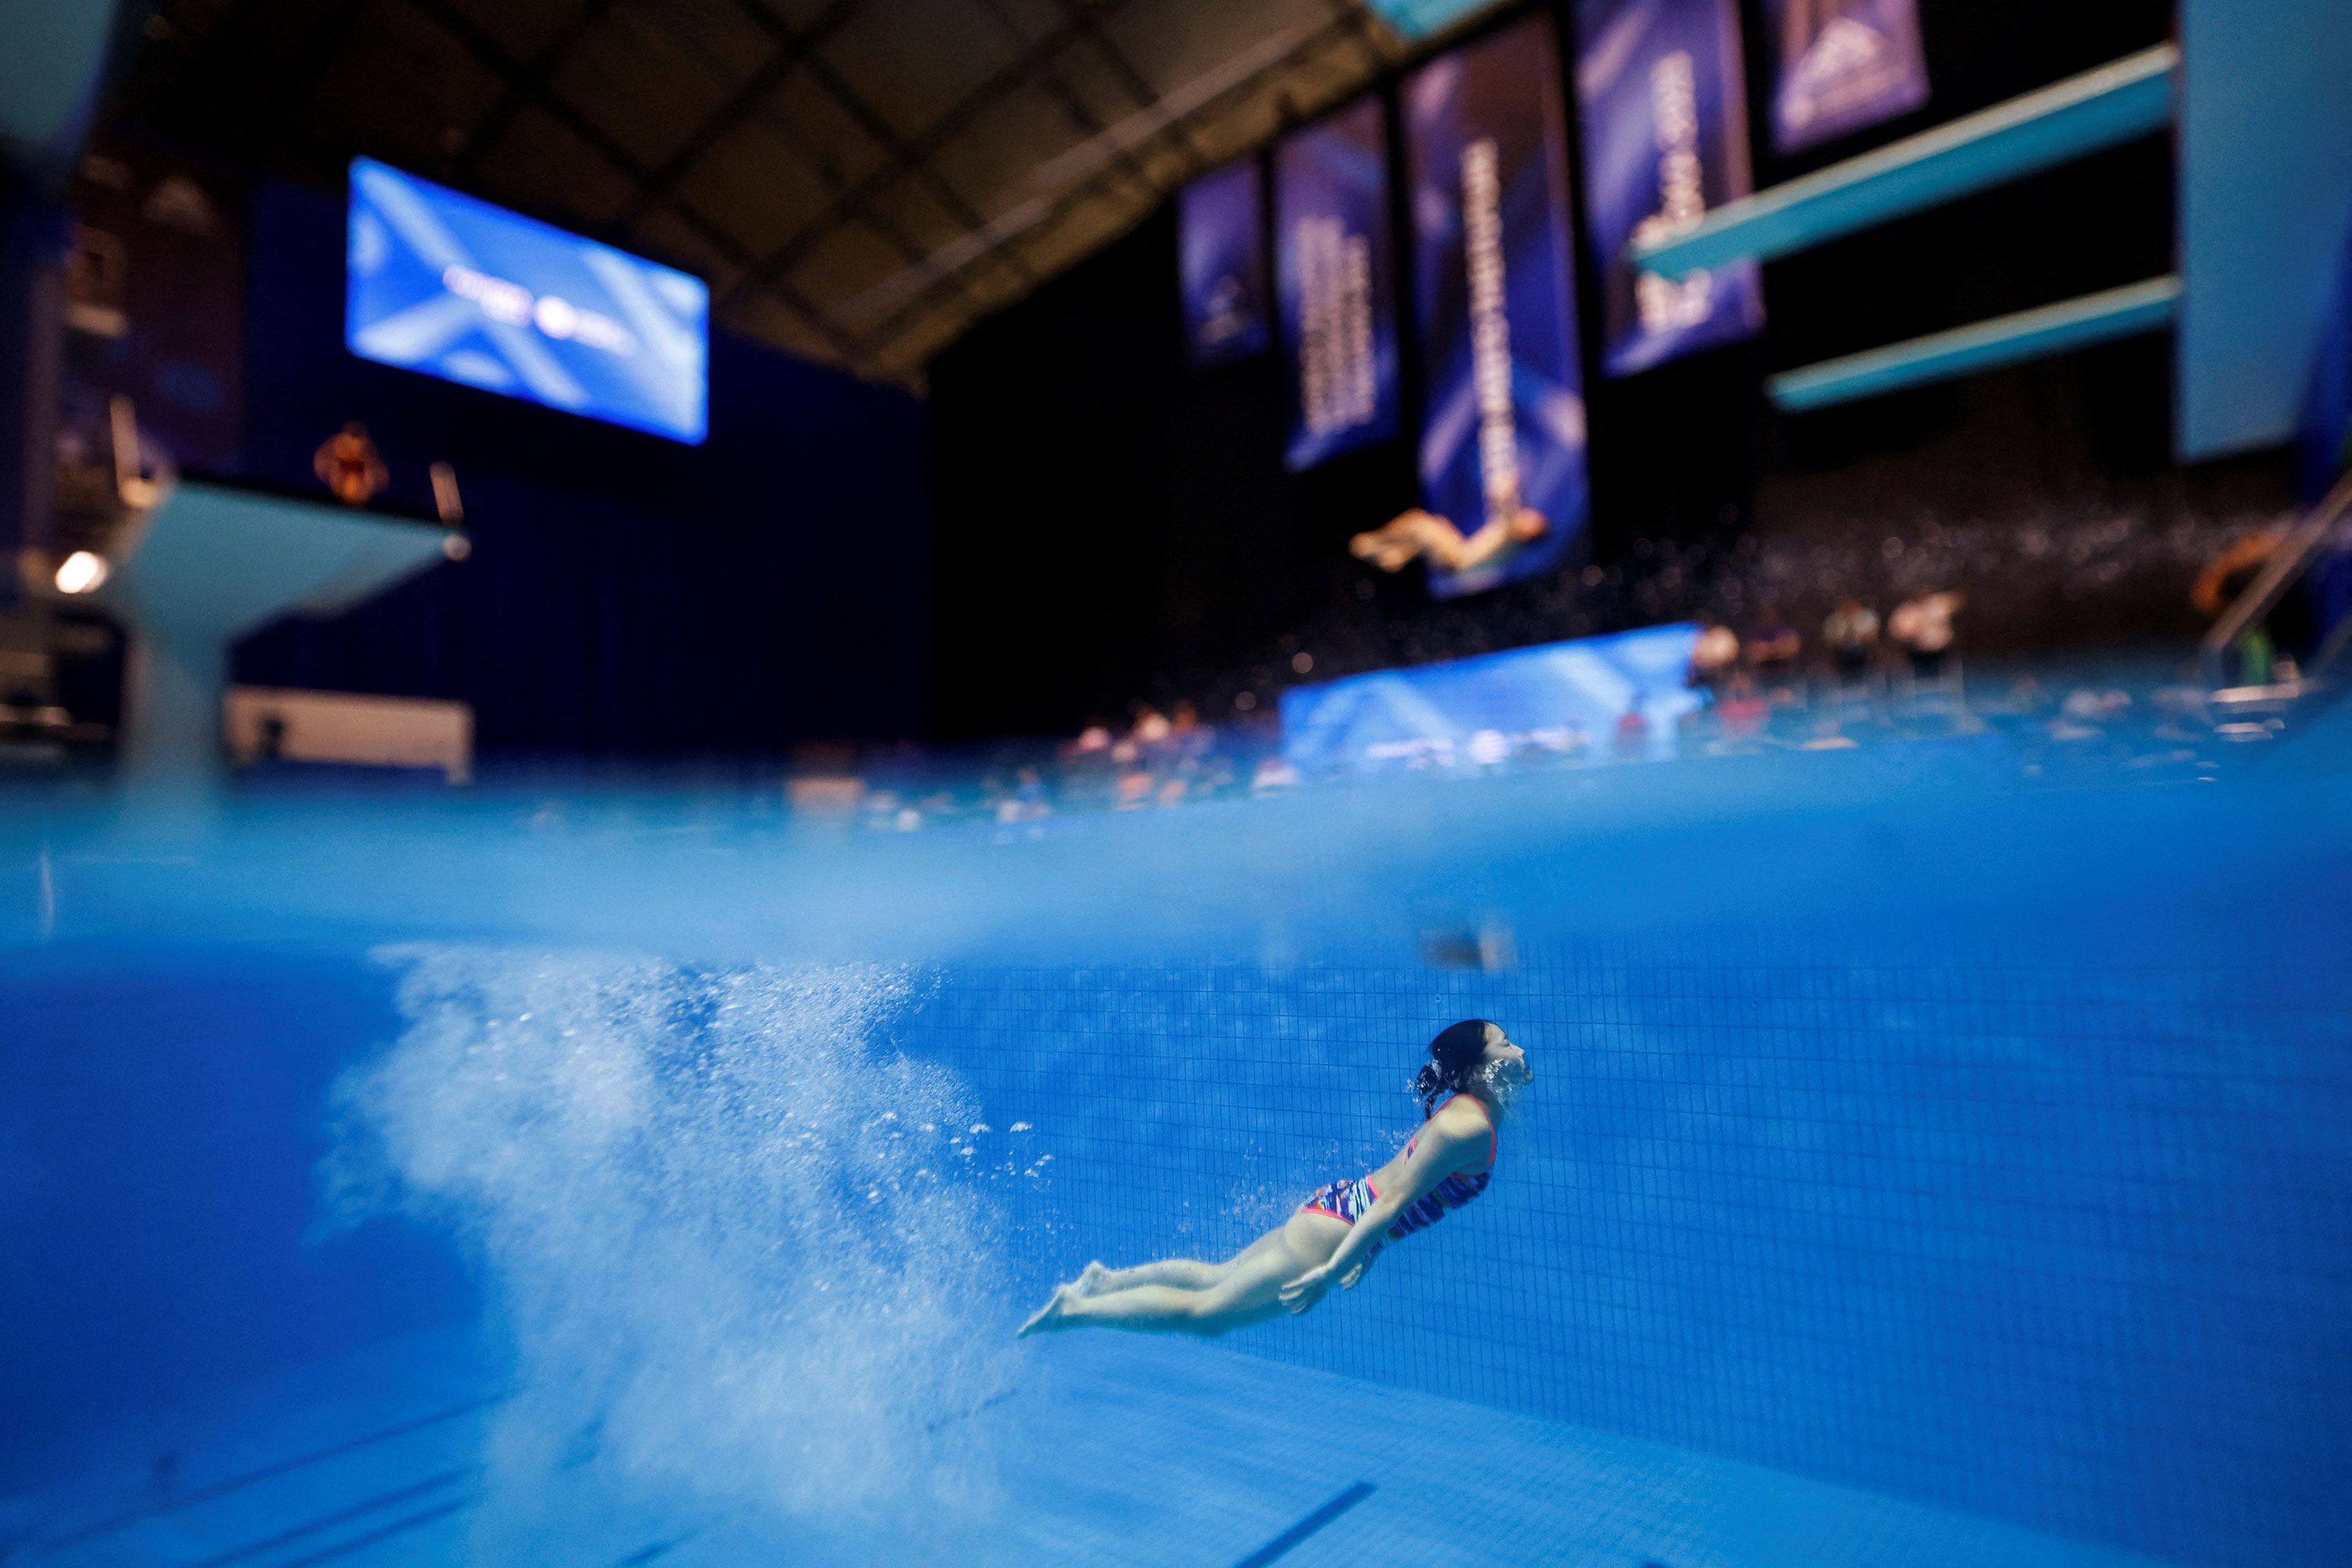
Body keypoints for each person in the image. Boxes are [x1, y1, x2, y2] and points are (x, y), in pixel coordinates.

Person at [1017, 1020, 1531, 1339]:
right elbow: (1393, 1202)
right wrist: (1332, 1271)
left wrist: (1363, 1253)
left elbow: (1399, 1192)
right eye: (1504, 1043)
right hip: (1337, 1229)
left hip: (1338, 1213)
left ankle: (1109, 1282)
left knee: (1217, 1277)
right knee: (1206, 1317)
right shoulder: (1467, 1124)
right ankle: (1075, 1309)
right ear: (1480, 1068)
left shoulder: (1469, 1112)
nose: (1516, 1049)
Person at [1349, 505, 1549, 575]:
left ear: (1530, 534)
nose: (1528, 515)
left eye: (1532, 520)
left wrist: (1509, 483)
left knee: (1422, 525)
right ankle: (1395, 555)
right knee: (1421, 523)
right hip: (1457, 554)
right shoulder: (1510, 536)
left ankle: (1377, 545)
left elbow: (1511, 516)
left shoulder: (1512, 539)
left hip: (1455, 559)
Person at [1888, 590, 1965, 679]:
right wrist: (1915, 631)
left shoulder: (1938, 603)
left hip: (1941, 646)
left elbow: (1959, 599)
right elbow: (1896, 632)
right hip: (1917, 647)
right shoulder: (1905, 612)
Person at [314, 422, 388, 507]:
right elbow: (321, 463)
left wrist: (368, 484)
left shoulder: (367, 450)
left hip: (360, 499)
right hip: (337, 494)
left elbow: (381, 477)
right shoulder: (337, 445)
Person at [1821, 597, 1880, 679]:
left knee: (1858, 652)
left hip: (1862, 647)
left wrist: (1860, 639)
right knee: (1845, 653)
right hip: (1840, 648)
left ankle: (1863, 677)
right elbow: (1829, 637)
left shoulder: (1867, 617)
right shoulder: (1834, 620)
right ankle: (1842, 678)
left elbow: (1872, 634)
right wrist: (1841, 641)